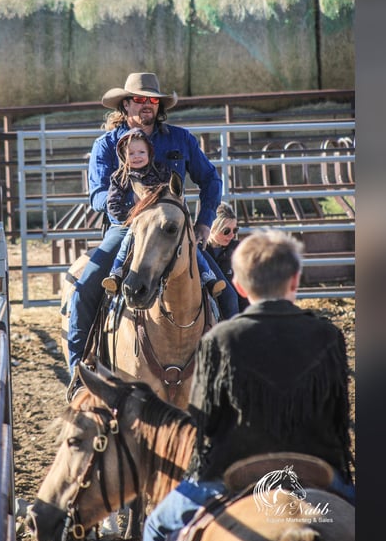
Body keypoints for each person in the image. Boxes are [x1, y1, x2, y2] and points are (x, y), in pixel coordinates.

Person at [143, 229, 355, 541]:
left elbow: (206, 423)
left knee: (156, 527)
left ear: (239, 286)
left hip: (232, 467)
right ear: (295, 281)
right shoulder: (327, 335)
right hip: (317, 464)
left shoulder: (220, 339)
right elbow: (338, 417)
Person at [66, 72, 223, 377]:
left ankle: (232, 370)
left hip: (172, 233)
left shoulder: (180, 139)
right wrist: (129, 209)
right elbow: (97, 194)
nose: (146, 105)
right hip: (125, 228)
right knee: (85, 289)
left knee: (226, 294)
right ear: (125, 105)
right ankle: (79, 374)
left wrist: (204, 224)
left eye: (152, 100)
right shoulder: (106, 145)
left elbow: (210, 180)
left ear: (159, 105)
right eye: (138, 99)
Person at [100, 129, 226, 299]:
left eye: (141, 152)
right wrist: (134, 214)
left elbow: (199, 183)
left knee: (191, 246)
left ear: (149, 153)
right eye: (131, 153)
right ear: (123, 156)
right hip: (132, 224)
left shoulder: (162, 170)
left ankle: (208, 276)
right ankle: (116, 274)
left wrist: (204, 221)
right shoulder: (120, 177)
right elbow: (110, 202)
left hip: (163, 223)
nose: (137, 156)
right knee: (126, 244)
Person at [204, 202, 249, 313]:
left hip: (235, 306)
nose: (231, 235)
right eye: (226, 231)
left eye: (235, 230)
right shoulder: (200, 250)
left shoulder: (238, 250)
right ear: (212, 228)